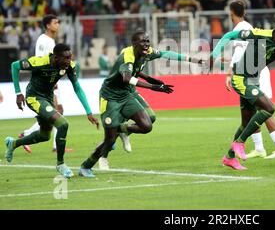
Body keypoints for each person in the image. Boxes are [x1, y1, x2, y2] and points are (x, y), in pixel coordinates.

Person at [80, 30, 204, 176]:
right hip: (110, 97)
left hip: (127, 94)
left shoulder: (147, 52)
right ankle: (86, 166)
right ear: (134, 44)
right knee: (109, 140)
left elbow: (166, 54)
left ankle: (121, 129)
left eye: (147, 41)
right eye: (142, 42)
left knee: (147, 125)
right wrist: (153, 87)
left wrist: (193, 60)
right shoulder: (127, 56)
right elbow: (127, 78)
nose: (146, 44)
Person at [211, 16, 275, 170]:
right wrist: (214, 55)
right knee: (269, 108)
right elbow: (229, 36)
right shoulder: (259, 34)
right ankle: (239, 143)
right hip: (241, 79)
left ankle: (229, 158)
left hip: (254, 80)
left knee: (246, 123)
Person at [5, 44, 99, 178]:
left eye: (70, 57)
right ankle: (61, 164)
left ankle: (13, 143)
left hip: (48, 99)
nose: (69, 61)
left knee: (44, 136)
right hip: (34, 98)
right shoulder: (39, 62)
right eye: (65, 58)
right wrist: (18, 93)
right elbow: (15, 65)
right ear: (55, 58)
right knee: (63, 124)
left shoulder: (68, 66)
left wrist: (89, 112)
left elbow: (77, 87)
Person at [225, 0, 275, 159]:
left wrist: (229, 72)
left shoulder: (241, 28)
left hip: (252, 73)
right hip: (250, 72)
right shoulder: (246, 26)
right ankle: (259, 148)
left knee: (265, 109)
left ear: (231, 12)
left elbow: (242, 53)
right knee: (252, 112)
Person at [18, 15, 72, 153]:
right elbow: (40, 61)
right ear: (48, 25)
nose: (58, 25)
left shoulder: (50, 40)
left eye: (58, 22)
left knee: (56, 112)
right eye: (55, 22)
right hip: (46, 83)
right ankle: (31, 136)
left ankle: (53, 144)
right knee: (56, 112)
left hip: (52, 80)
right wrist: (52, 86)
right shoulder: (44, 40)